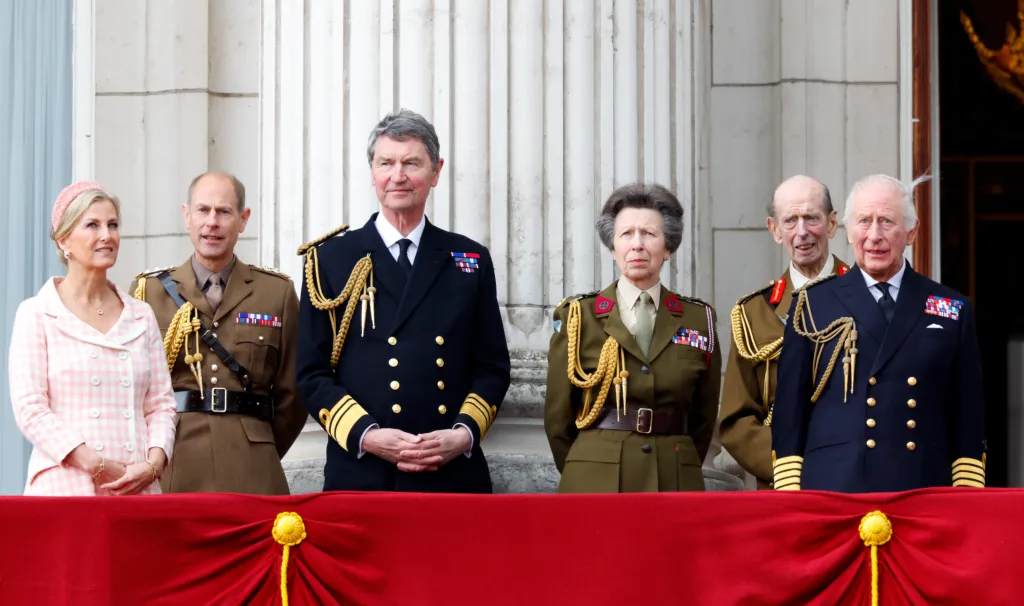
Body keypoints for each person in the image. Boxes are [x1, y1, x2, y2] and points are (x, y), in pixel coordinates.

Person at [296, 109, 511, 493]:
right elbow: (311, 373)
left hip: (449, 473)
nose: (398, 175)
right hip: (362, 473)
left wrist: (463, 434)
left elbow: (492, 367)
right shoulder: (331, 259)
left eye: (411, 162)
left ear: (435, 171)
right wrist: (366, 434)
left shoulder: (469, 259)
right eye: (386, 163)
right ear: (373, 172)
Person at [772, 174, 986, 492]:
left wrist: (965, 493)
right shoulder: (811, 304)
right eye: (864, 221)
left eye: (886, 221)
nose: (874, 235)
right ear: (847, 231)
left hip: (922, 488)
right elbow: (790, 412)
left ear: (911, 232)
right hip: (834, 490)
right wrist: (791, 493)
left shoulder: (953, 308)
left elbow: (967, 414)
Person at [129, 172, 307, 495]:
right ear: (186, 215)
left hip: (253, 466)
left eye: (224, 212)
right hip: (174, 462)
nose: (212, 222)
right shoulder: (148, 293)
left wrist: (258, 443)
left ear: (243, 219)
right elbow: (134, 390)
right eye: (203, 210)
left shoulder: (276, 292)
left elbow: (294, 391)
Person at [544, 183, 721, 493]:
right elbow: (558, 420)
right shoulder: (578, 317)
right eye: (626, 234)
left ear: (668, 247)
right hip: (595, 479)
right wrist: (589, 463)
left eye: (649, 234)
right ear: (613, 248)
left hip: (675, 479)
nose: (637, 245)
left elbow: (703, 419)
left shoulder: (699, 320)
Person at [9, 181, 177, 496]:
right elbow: (31, 408)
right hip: (66, 486)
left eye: (112, 225)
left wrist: (154, 463)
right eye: (93, 225)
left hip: (136, 486)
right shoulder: (37, 313)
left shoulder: (141, 315)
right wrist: (95, 464)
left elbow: (161, 406)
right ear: (64, 240)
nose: (107, 235)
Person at [718, 175, 849, 489]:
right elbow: (737, 420)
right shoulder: (753, 313)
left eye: (811, 218)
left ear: (832, 224)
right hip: (783, 484)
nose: (801, 232)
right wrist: (788, 465)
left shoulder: (867, 298)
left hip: (853, 479)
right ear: (774, 230)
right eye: (790, 220)